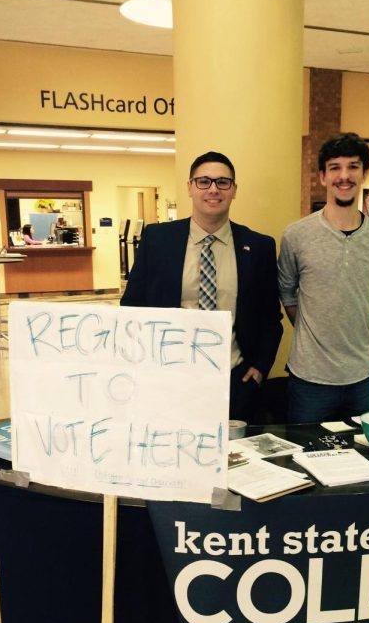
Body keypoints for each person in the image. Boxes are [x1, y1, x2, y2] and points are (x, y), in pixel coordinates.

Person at [121, 151, 283, 423]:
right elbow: (132, 308)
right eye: (203, 181)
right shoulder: (158, 240)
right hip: (170, 379)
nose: (213, 189)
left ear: (234, 190)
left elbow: (270, 317)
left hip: (235, 380)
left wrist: (259, 369)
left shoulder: (258, 247)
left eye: (223, 182)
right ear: (189, 187)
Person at [278, 132, 369, 423]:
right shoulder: (297, 235)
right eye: (335, 168)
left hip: (360, 378)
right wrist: (314, 331)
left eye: (353, 166)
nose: (344, 176)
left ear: (364, 174)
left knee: (360, 462)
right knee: (305, 459)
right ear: (322, 177)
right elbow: (287, 293)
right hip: (309, 380)